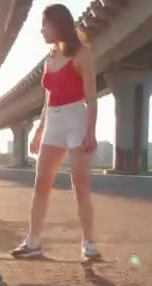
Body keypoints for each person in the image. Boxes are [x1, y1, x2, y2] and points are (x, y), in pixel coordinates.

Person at [11, 4, 100, 261]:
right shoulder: (50, 58)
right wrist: (39, 129)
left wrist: (91, 133)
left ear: (59, 24)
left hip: (76, 119)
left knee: (80, 185)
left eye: (45, 25)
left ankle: (88, 243)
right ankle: (33, 242)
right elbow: (48, 100)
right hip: (54, 122)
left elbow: (92, 99)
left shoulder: (82, 54)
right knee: (41, 183)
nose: (41, 30)